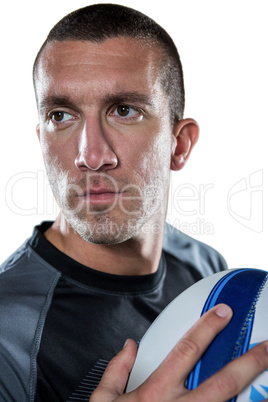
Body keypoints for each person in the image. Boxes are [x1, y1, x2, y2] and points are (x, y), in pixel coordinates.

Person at [0, 4, 267, 402]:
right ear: (41, 138)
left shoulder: (206, 269)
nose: (91, 156)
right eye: (61, 115)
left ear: (179, 145)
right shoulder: (8, 334)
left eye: (124, 111)